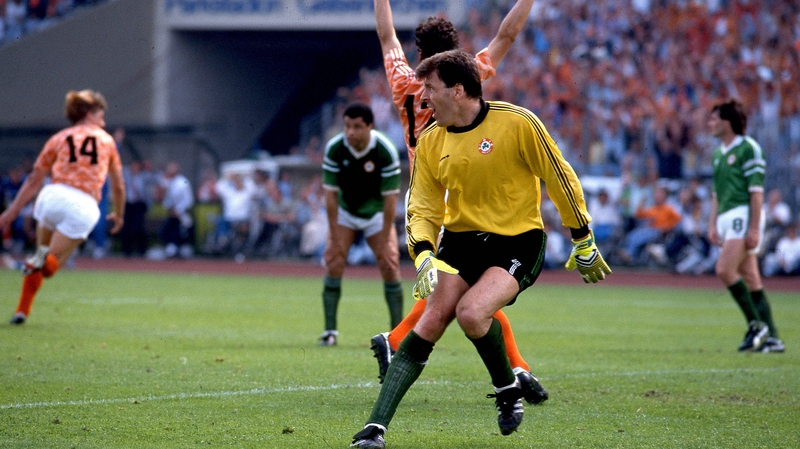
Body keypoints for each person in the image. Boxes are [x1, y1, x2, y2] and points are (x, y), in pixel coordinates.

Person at [350, 50, 611, 448]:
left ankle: (506, 389)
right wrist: (422, 255)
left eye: (431, 89)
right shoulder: (432, 140)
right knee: (432, 319)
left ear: (458, 90)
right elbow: (421, 206)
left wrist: (582, 236)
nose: (423, 99)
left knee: (472, 313)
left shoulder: (517, 122)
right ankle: (374, 430)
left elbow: (559, 176)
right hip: (460, 241)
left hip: (518, 240)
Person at [369, 0, 545, 404]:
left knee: (468, 291)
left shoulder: (403, 79)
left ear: (418, 52)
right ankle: (397, 339)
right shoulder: (468, 75)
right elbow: (507, 35)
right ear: (456, 51)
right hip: (458, 188)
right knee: (469, 290)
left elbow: (385, 35)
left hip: (423, 187)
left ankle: (518, 369)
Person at [0, 89, 125, 324]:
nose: (103, 121)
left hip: (52, 196)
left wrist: (12, 211)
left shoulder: (59, 137)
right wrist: (118, 215)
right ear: (88, 114)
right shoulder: (106, 140)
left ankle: (22, 310)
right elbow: (118, 186)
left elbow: (34, 178)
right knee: (51, 266)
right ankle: (38, 262)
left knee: (41, 253)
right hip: (84, 203)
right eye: (100, 115)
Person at [319, 103, 403, 346]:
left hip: (376, 212)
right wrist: (334, 236)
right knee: (334, 261)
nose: (350, 132)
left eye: (357, 127)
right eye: (347, 126)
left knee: (389, 264)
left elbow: (390, 200)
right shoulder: (335, 148)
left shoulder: (385, 150)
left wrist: (387, 238)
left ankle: (397, 334)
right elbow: (330, 196)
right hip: (346, 211)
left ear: (369, 126)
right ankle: (330, 332)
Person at [706, 99, 783, 353]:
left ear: (728, 122)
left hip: (744, 214)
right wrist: (712, 223)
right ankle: (772, 338)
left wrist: (754, 228)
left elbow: (756, 192)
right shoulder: (718, 153)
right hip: (727, 217)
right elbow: (716, 193)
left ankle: (756, 325)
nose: (711, 123)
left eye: (715, 119)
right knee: (751, 278)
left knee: (724, 270)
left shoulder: (749, 148)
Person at [158, 161, 194, 259]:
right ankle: (171, 249)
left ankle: (180, 250)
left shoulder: (182, 182)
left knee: (182, 231)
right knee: (164, 231)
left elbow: (188, 199)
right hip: (172, 212)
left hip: (182, 212)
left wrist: (178, 210)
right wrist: (170, 208)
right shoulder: (166, 181)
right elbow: (165, 198)